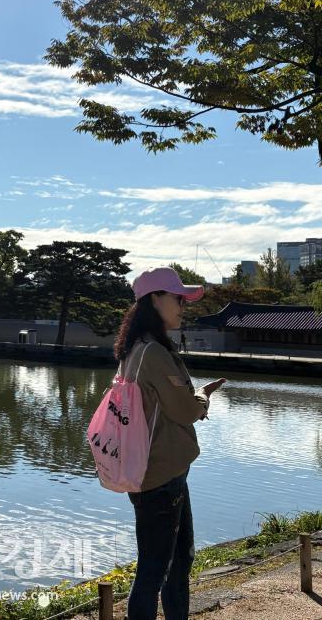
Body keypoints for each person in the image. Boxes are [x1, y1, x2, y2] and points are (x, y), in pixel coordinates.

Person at [114, 266, 226, 620]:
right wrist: (203, 396)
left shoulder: (134, 349)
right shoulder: (155, 354)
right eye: (177, 298)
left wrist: (194, 398)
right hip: (161, 475)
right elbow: (186, 411)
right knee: (155, 568)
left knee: (176, 560)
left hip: (153, 470)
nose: (182, 306)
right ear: (154, 300)